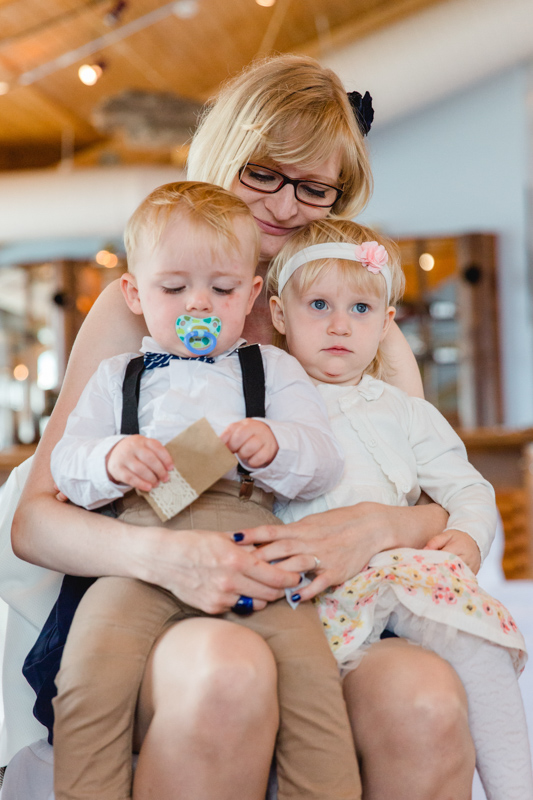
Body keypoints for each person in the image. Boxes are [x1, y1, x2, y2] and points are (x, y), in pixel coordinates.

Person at [9, 54, 472, 800]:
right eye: (263, 173)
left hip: (330, 604)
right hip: (154, 585)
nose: (285, 206)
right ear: (224, 151)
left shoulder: (356, 325)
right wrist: (174, 556)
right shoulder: (141, 309)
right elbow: (36, 523)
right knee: (228, 672)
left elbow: (429, 488)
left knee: (424, 698)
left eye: (312, 186)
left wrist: (376, 524)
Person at [28, 180, 361, 800]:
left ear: (252, 293)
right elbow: (68, 464)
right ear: (134, 293)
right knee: (87, 682)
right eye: (174, 289)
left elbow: (325, 459)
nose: (198, 305)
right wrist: (111, 458)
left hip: (250, 543)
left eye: (224, 289)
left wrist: (275, 443)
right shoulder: (117, 376)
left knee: (315, 689)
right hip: (137, 551)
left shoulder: (272, 368)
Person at [263, 216, 532, 800]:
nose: (340, 325)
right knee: (301, 716)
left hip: (398, 575)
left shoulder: (405, 411)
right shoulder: (262, 401)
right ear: (280, 315)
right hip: (308, 592)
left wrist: (466, 538)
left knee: (475, 641)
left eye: (361, 310)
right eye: (318, 305)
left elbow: (470, 489)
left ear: (386, 323)